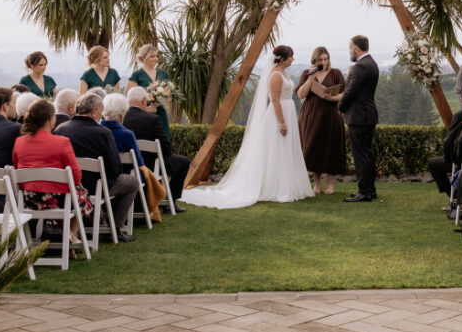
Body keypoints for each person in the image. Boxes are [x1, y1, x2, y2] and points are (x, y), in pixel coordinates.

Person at [181, 45, 313, 209]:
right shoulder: (276, 76)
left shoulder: (284, 73)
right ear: (283, 58)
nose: (293, 59)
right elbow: (275, 100)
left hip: (289, 111)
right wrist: (282, 122)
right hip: (279, 115)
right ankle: (274, 186)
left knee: (285, 149)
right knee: (275, 149)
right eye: (291, 56)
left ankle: (286, 184)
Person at [56, 92, 139, 240]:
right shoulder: (103, 132)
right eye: (101, 110)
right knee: (132, 182)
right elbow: (115, 168)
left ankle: (90, 222)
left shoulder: (61, 129)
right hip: (96, 186)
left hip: (68, 185)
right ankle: (116, 227)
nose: (101, 114)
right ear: (94, 111)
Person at [12, 99, 92, 245]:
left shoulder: (19, 141)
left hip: (29, 199)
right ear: (50, 119)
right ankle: (71, 237)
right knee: (82, 193)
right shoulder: (62, 142)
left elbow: (17, 170)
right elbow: (76, 176)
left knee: (74, 193)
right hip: (58, 199)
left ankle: (69, 236)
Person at [124, 87, 190, 206]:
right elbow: (166, 147)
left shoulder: (121, 118)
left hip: (126, 166)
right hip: (151, 166)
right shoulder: (152, 119)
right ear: (144, 101)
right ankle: (171, 202)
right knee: (183, 162)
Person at [295, 46, 347, 195]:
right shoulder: (307, 73)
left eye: (326, 59)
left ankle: (330, 185)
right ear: (315, 60)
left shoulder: (336, 73)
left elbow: (344, 93)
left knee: (331, 147)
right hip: (311, 115)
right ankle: (317, 185)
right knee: (312, 148)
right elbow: (301, 94)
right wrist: (311, 79)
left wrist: (330, 97)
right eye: (320, 60)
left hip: (331, 114)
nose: (323, 62)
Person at [337, 36, 381, 202]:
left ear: (356, 49)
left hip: (359, 116)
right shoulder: (372, 63)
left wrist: (340, 107)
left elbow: (350, 92)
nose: (350, 52)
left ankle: (364, 191)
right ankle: (369, 190)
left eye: (350, 49)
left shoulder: (361, 66)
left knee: (361, 156)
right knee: (367, 155)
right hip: (366, 115)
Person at [427, 81, 462, 197]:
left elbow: (449, 141)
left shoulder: (460, 116)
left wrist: (450, 158)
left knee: (433, 164)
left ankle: (453, 196)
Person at [125, 44, 173, 141]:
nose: (155, 58)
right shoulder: (137, 75)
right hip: (143, 116)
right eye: (152, 56)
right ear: (144, 58)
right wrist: (147, 108)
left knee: (163, 143)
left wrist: (159, 101)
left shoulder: (163, 74)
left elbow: (170, 97)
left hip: (160, 114)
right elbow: (130, 98)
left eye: (156, 56)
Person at [100, 93, 144, 169]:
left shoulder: (96, 132)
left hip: (101, 176)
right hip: (127, 175)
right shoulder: (127, 135)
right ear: (122, 114)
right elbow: (139, 162)